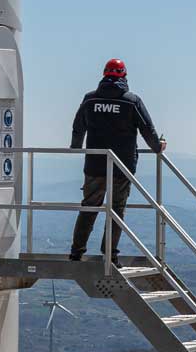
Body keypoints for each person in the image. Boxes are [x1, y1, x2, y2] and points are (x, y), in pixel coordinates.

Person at [68, 58, 165, 263]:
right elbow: (147, 129)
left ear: (104, 74)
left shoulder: (90, 100)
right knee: (116, 208)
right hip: (122, 165)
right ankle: (110, 254)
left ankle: (76, 252)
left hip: (94, 164)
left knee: (90, 206)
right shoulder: (131, 101)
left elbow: (78, 126)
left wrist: (75, 147)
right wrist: (158, 147)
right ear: (124, 76)